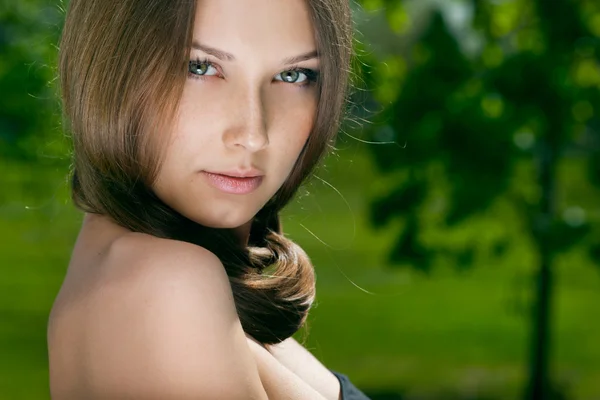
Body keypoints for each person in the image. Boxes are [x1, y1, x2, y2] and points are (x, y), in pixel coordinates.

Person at [47, 0, 371, 399]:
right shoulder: (166, 287)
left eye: (293, 74)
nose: (254, 134)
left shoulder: (147, 277)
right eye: (199, 67)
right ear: (111, 68)